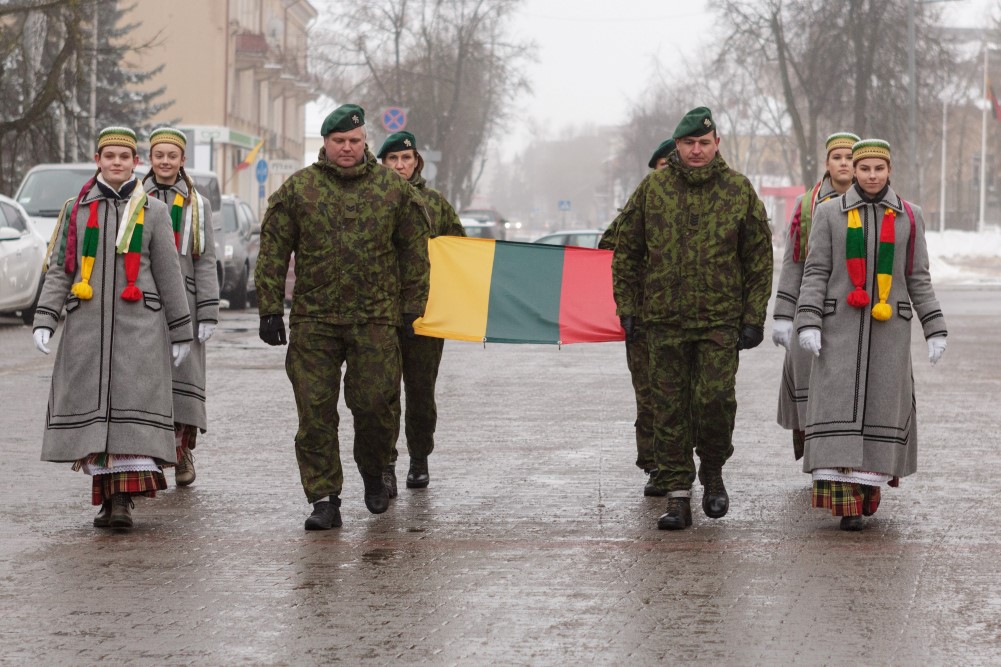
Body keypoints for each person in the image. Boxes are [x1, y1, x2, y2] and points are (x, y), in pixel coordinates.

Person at [254, 104, 431, 531]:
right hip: (314, 320)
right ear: (326, 143)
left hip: (376, 319)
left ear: (365, 141)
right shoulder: (300, 190)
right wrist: (270, 308)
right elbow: (273, 249)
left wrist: (413, 308)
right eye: (339, 141)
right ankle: (324, 498)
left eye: (354, 140)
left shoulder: (392, 190)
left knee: (375, 406)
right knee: (314, 412)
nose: (347, 147)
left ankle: (374, 471)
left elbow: (415, 253)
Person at [612, 107, 773, 530]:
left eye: (703, 142)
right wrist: (627, 308)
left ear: (717, 143)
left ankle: (713, 472)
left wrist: (753, 316)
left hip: (719, 322)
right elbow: (626, 253)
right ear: (677, 145)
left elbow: (758, 259)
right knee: (668, 409)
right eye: (688, 143)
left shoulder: (738, 190)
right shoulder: (654, 189)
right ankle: (677, 495)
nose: (696, 150)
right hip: (663, 322)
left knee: (715, 401)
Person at [31, 126, 192, 529]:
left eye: (124, 157)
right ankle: (108, 500)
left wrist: (181, 329)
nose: (116, 163)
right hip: (88, 328)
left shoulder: (152, 211)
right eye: (109, 156)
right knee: (97, 414)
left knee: (130, 414)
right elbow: (61, 269)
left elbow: (169, 274)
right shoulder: (78, 209)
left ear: (135, 162)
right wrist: (45, 318)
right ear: (98, 160)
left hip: (141, 330)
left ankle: (122, 502)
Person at [796, 139, 947, 531]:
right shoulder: (830, 213)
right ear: (854, 171)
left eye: (879, 168)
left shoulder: (909, 216)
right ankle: (846, 503)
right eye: (864, 168)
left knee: (881, 411)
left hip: (888, 333)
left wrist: (934, 327)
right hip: (839, 331)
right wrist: (809, 320)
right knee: (837, 409)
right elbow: (815, 271)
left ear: (889, 170)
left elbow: (918, 277)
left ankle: (868, 494)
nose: (872, 175)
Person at [377, 130, 465, 495]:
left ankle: (419, 458)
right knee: (381, 395)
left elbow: (459, 251)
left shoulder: (435, 203)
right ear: (383, 163)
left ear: (417, 162)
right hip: (379, 313)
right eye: (393, 159)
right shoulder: (372, 199)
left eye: (406, 158)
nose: (400, 165)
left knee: (420, 393)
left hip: (425, 315)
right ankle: (385, 466)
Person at [772, 132, 858, 460]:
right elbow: (794, 261)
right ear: (827, 163)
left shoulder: (872, 203)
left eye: (850, 158)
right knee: (809, 384)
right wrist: (784, 314)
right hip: (813, 308)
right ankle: (817, 459)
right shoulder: (807, 205)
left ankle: (848, 463)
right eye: (838, 157)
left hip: (855, 310)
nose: (844, 164)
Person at [142, 127, 220, 487]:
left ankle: (182, 452)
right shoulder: (136, 198)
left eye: (172, 155)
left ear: (182, 160)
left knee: (183, 379)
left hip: (186, 303)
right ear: (150, 158)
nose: (165, 161)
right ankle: (149, 457)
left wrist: (208, 310)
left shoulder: (196, 205)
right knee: (145, 382)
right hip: (144, 304)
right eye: (159, 155)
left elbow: (205, 259)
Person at [599, 138, 674, 496]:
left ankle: (682, 462)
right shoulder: (641, 203)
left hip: (690, 316)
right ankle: (655, 466)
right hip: (645, 319)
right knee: (649, 397)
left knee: (690, 398)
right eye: (663, 166)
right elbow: (609, 246)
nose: (669, 172)